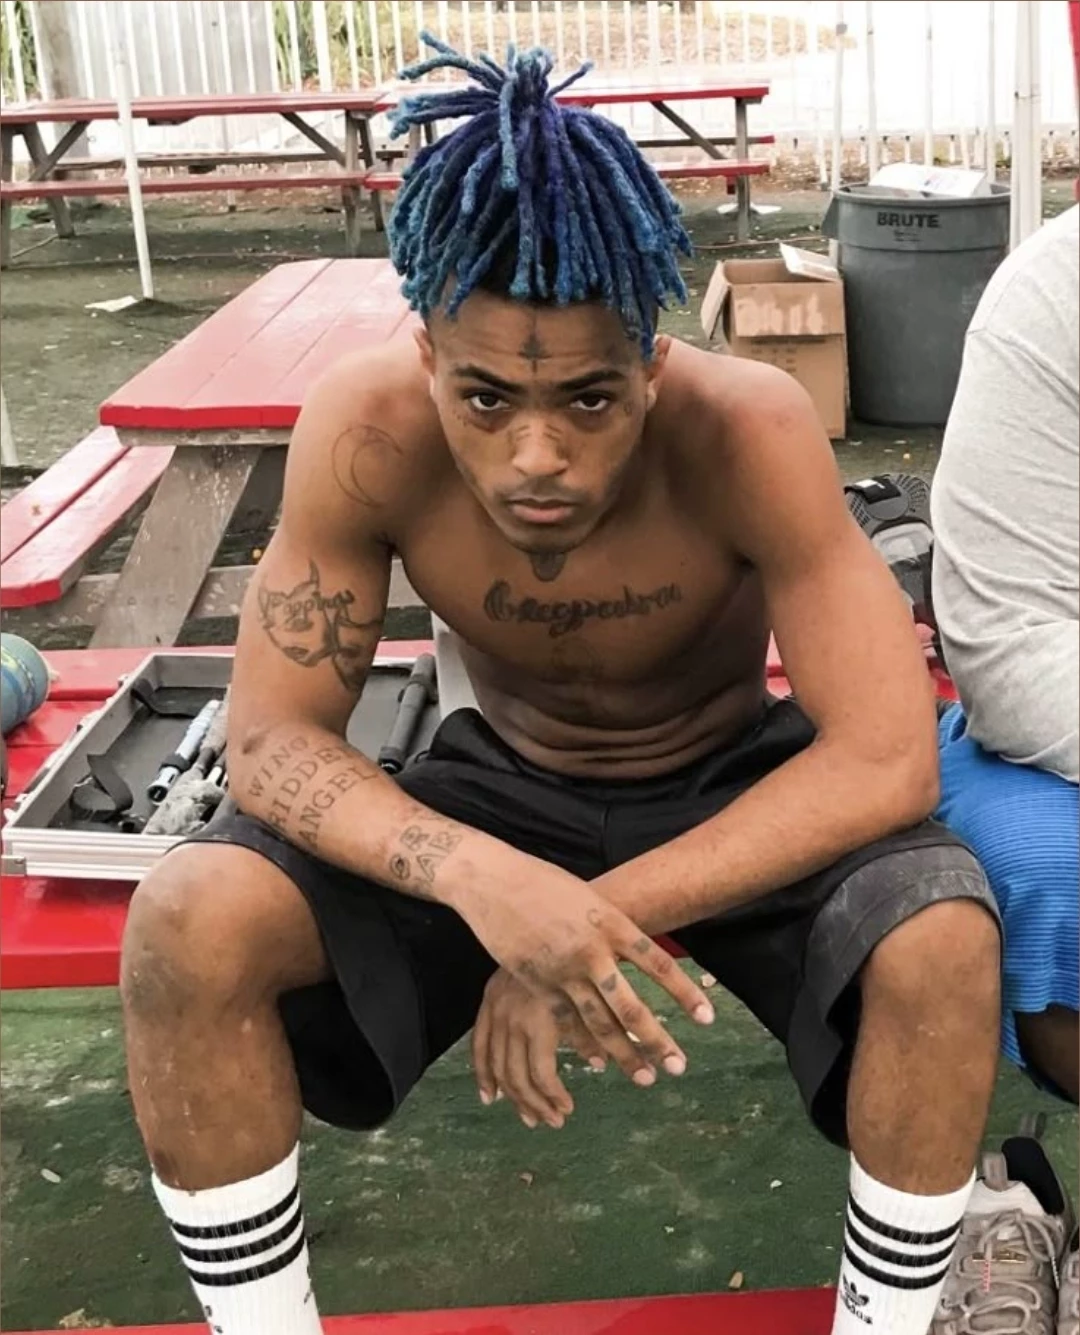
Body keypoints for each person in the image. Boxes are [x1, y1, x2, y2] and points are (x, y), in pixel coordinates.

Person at [119, 37, 1001, 1335]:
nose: (538, 454)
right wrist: (485, 880)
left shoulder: (747, 429)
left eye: (590, 400)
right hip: (498, 783)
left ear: (652, 366)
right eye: (485, 399)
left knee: (942, 936)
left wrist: (584, 919)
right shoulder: (365, 434)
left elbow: (885, 757)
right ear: (427, 358)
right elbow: (268, 742)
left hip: (725, 777)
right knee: (189, 917)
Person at [931, 203, 1079, 1331]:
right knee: (1042, 862)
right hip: (1060, 732)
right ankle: (992, 1200)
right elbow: (1010, 652)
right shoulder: (1054, 297)